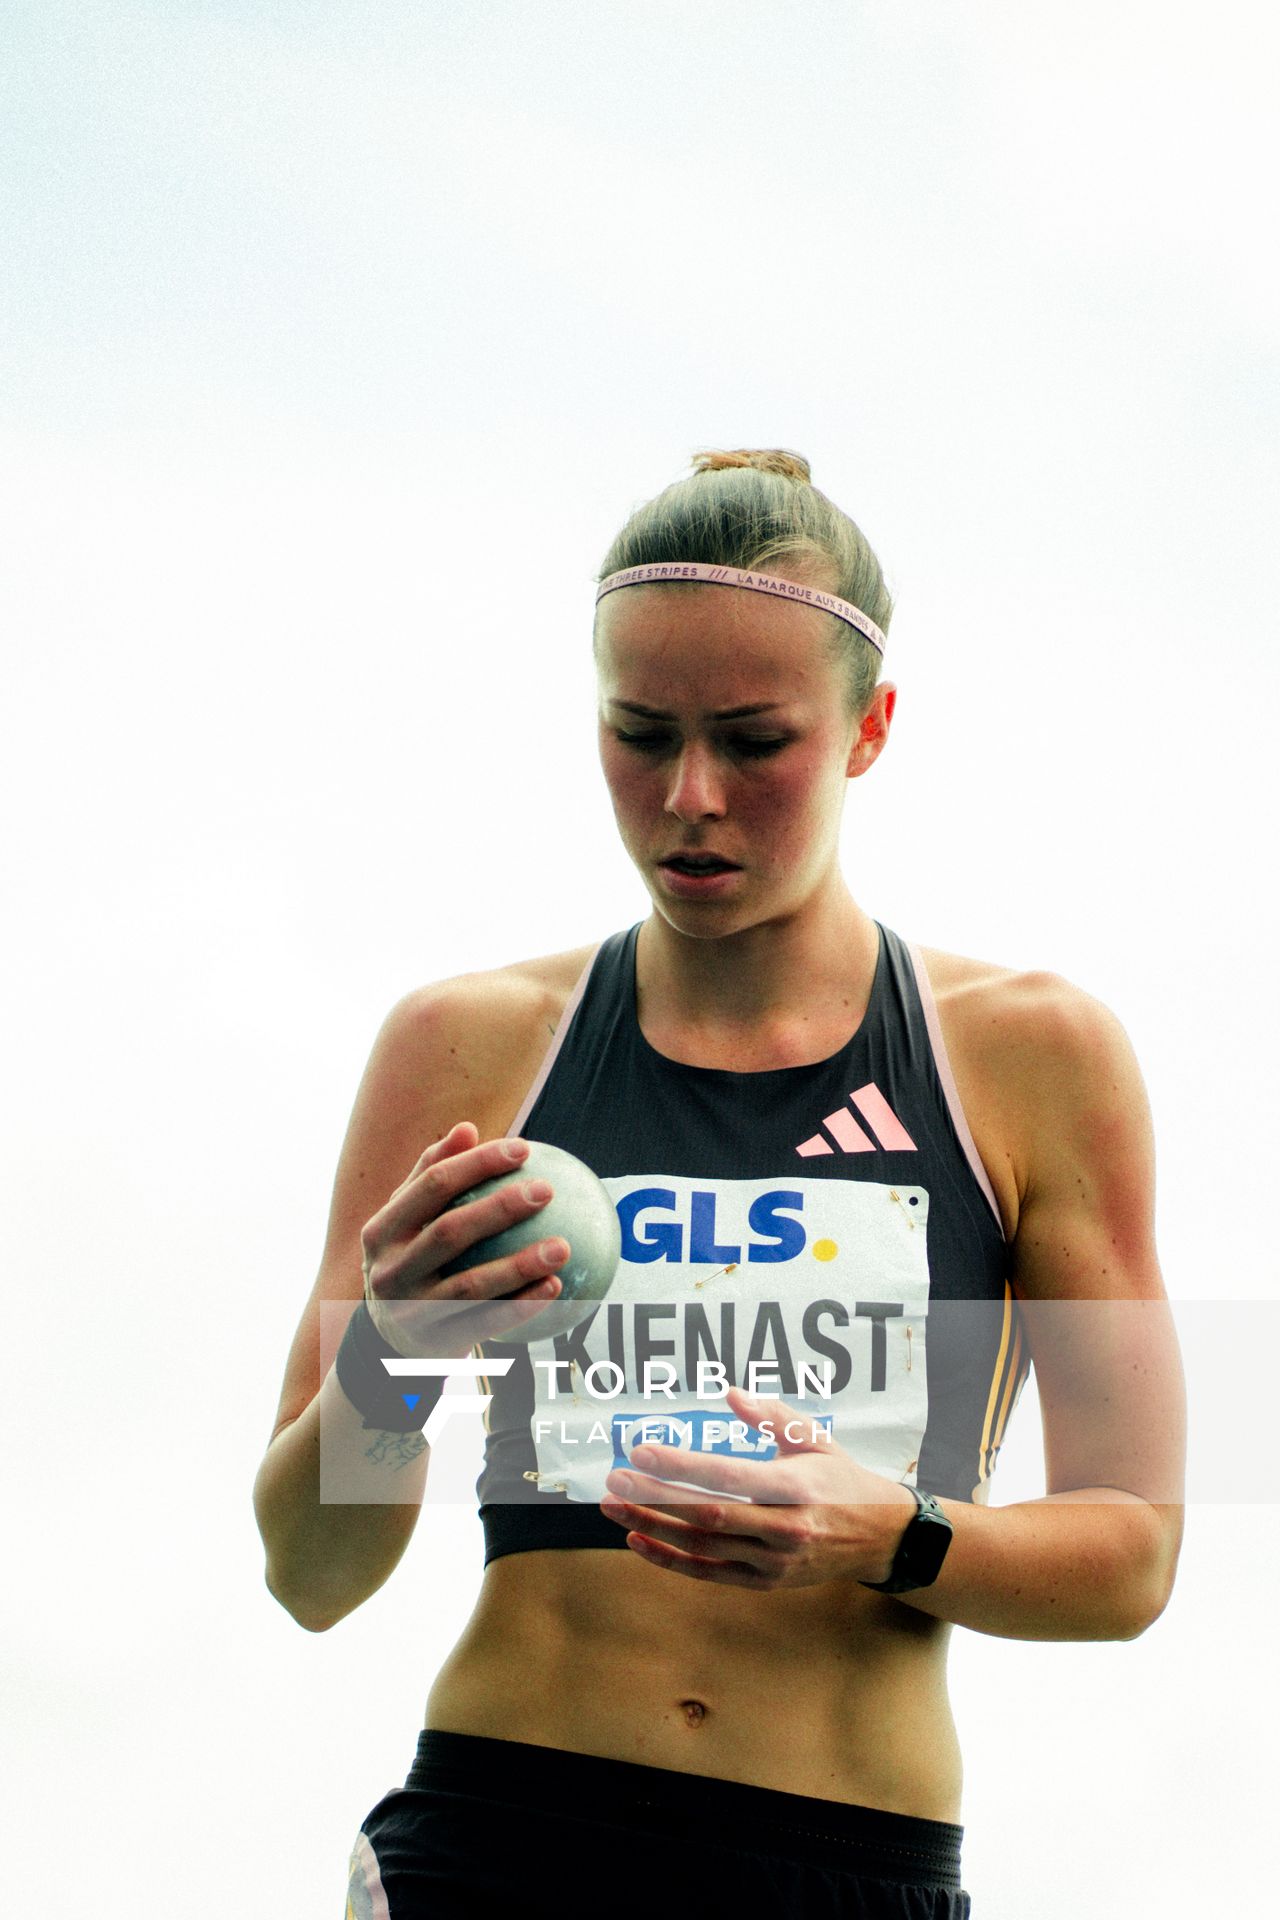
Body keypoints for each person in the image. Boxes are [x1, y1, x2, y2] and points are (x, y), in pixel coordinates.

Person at [252, 449, 1185, 1918]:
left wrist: (892, 1534)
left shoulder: (1028, 1057)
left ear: (871, 728)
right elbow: (313, 1573)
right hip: (501, 1837)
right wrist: (398, 1355)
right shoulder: (469, 1044)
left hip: (844, 1861)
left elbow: (1131, 1555)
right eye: (641, 733)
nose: (690, 798)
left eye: (755, 741)